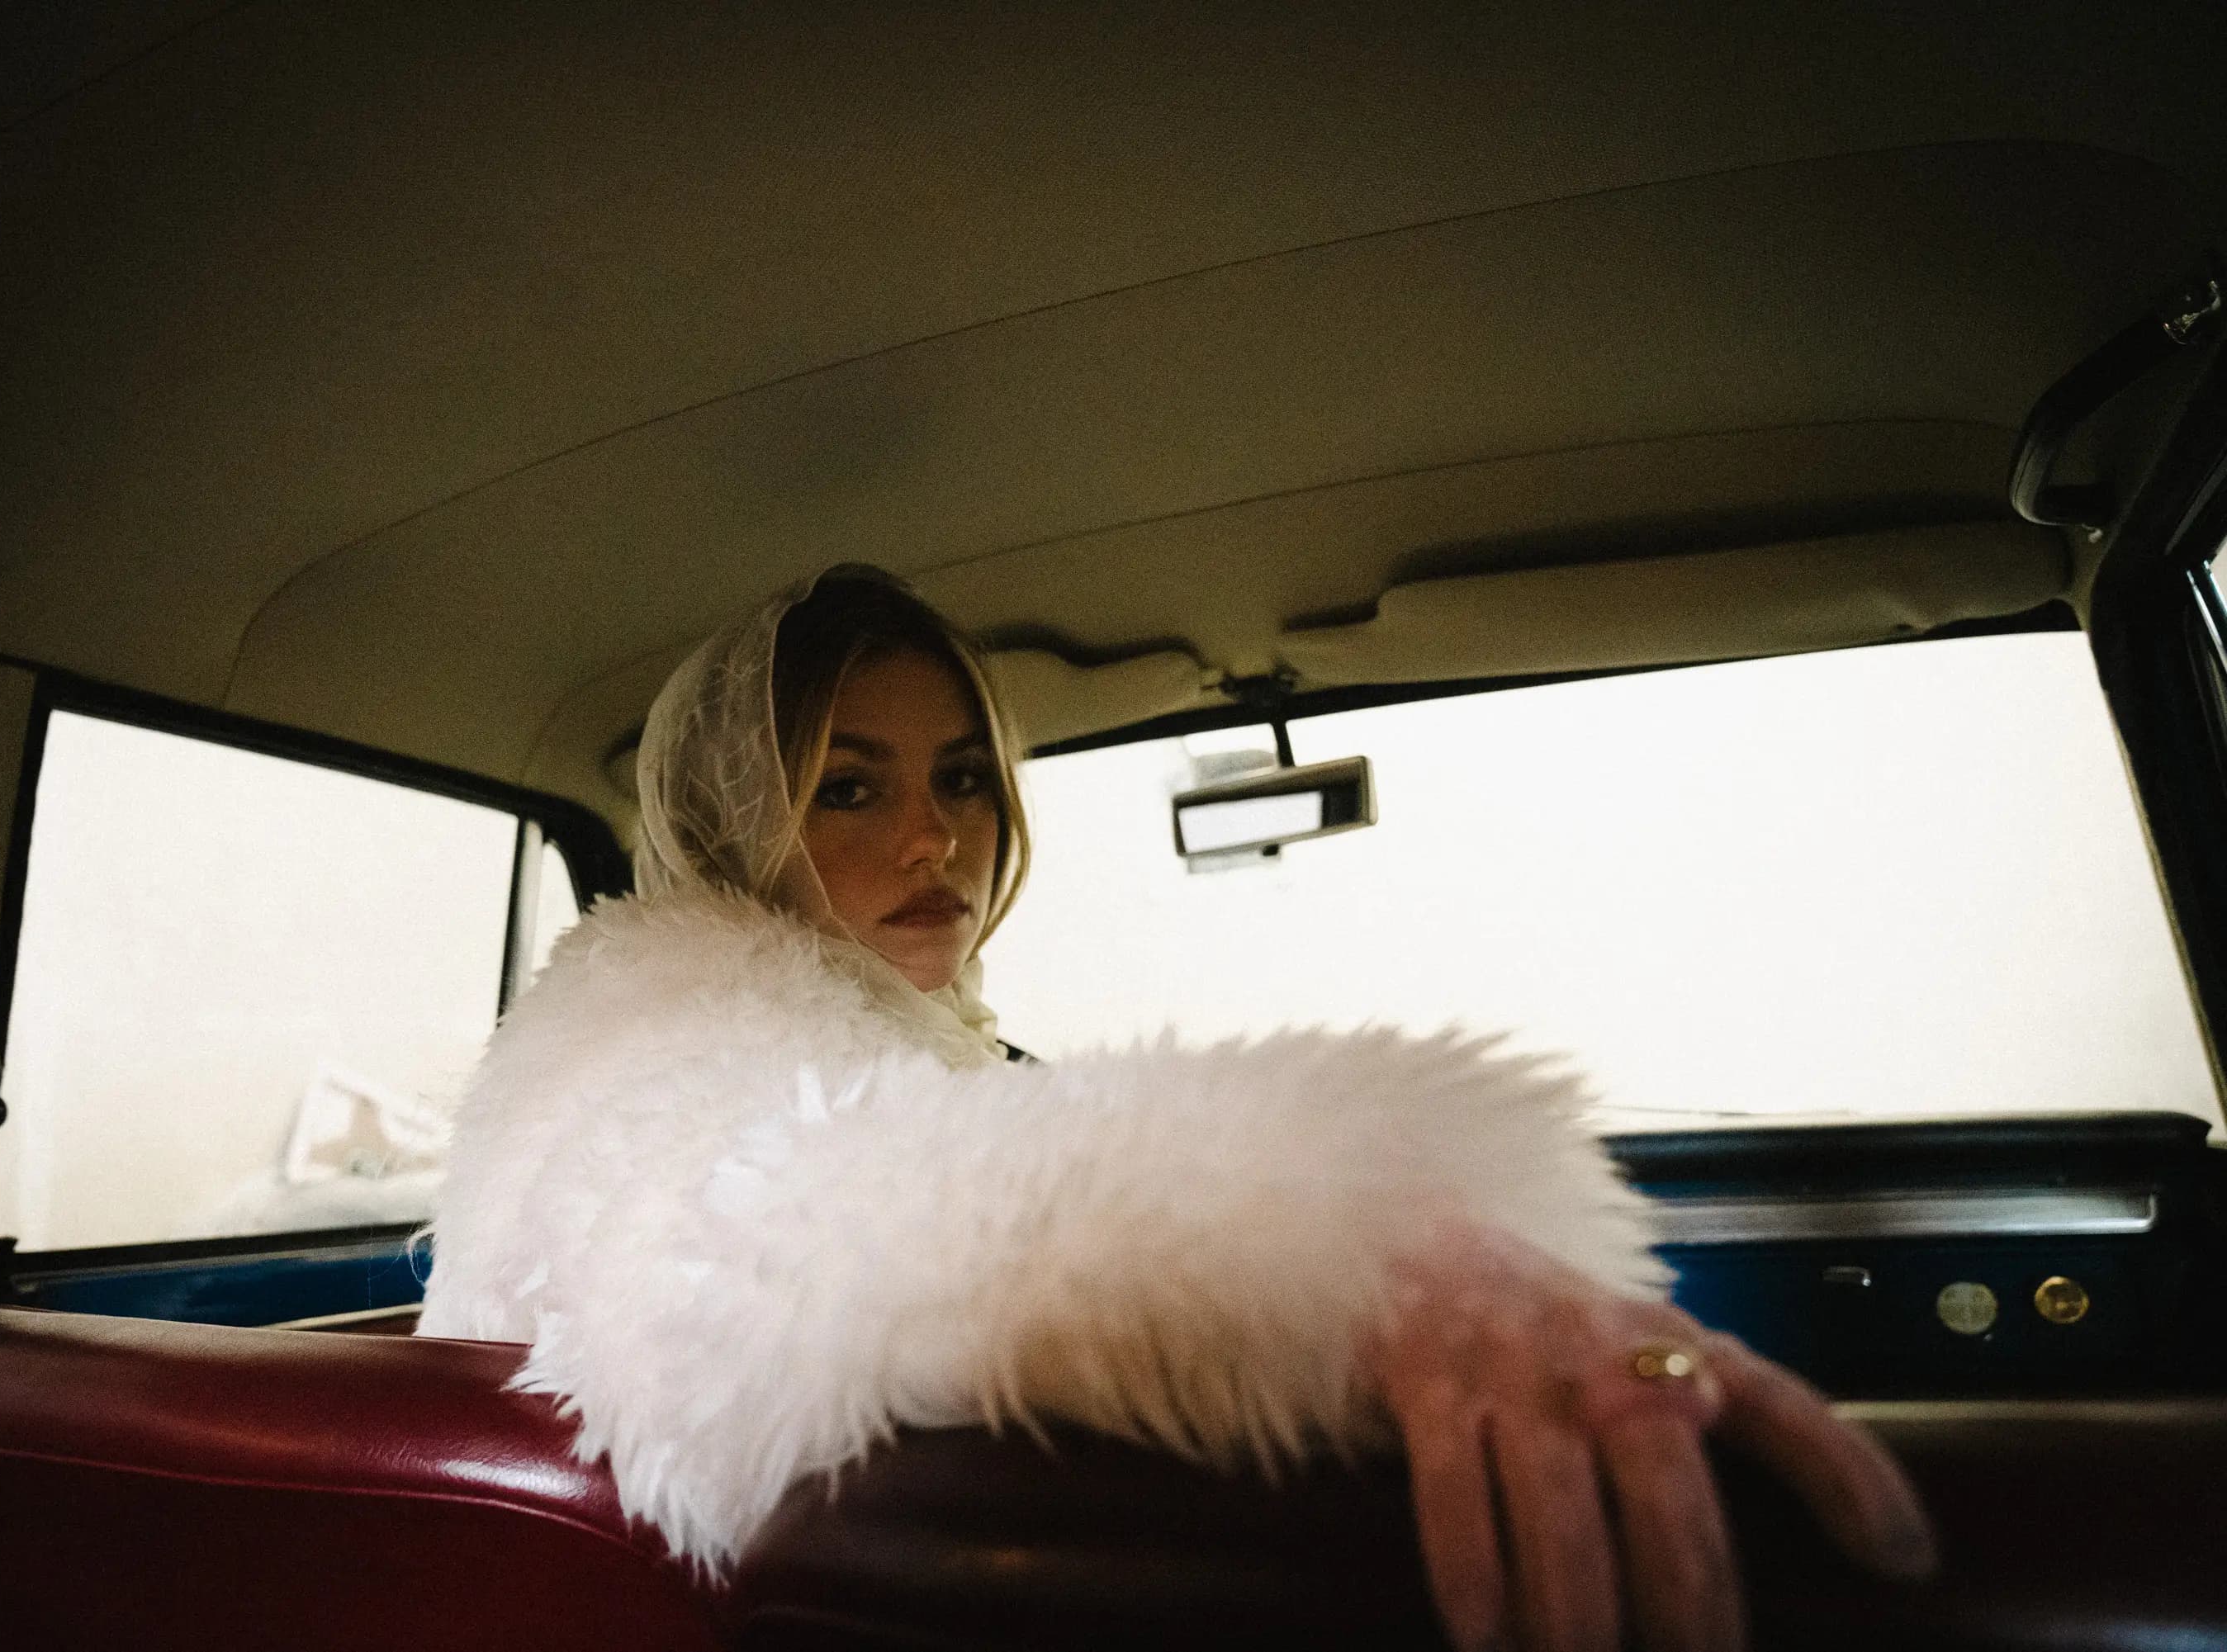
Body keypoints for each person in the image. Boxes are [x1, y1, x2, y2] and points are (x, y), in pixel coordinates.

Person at [419, 563, 1933, 1652]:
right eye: (851, 788)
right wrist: (1350, 1250)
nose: (938, 836)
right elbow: (745, 1234)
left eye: (963, 776)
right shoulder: (651, 1028)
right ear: (731, 821)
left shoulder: (896, 1047)